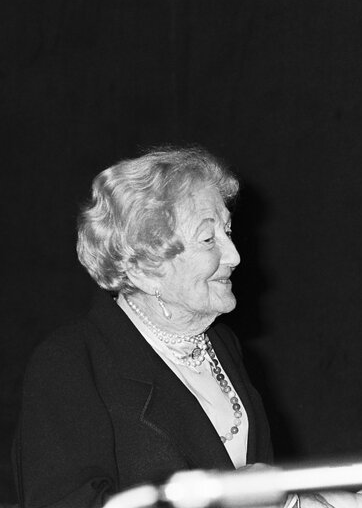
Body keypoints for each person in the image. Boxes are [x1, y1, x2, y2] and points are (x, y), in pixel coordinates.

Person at [11, 148, 340, 508]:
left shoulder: (221, 343)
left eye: (227, 231)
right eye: (208, 239)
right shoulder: (71, 363)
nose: (234, 255)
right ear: (145, 267)